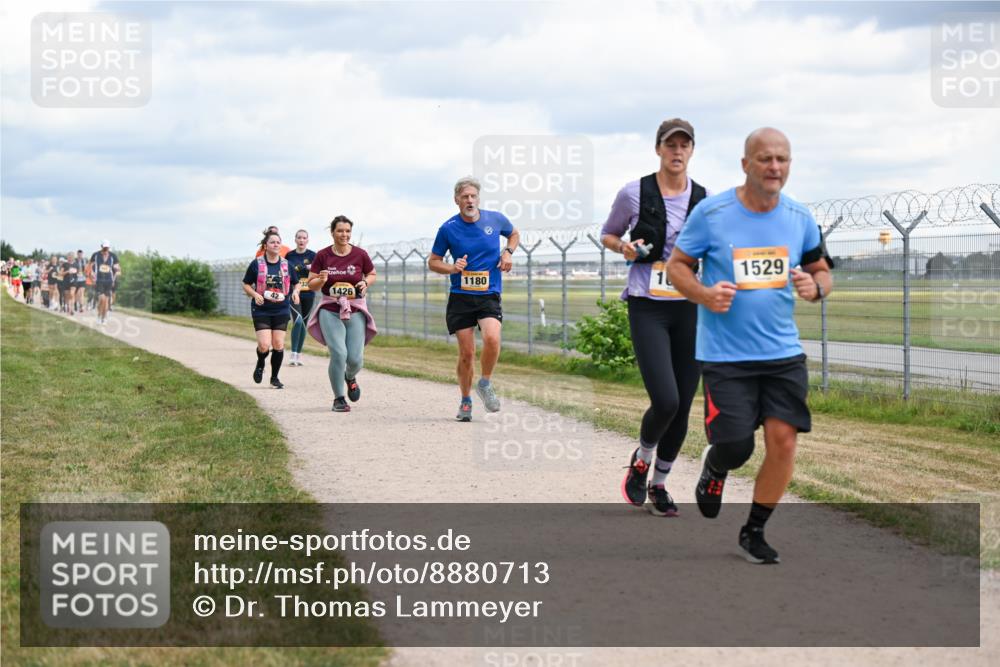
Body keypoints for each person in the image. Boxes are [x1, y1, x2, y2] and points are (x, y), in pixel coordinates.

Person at [667, 127, 834, 564]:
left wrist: (815, 287)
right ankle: (717, 466)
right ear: (746, 164)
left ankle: (754, 530)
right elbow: (678, 265)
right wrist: (703, 294)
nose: (774, 167)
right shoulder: (713, 212)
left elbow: (822, 270)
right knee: (738, 445)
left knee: (784, 441)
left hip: (782, 353)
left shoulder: (799, 217)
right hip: (726, 356)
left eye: (782, 159)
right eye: (765, 159)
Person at [601, 118, 709, 517]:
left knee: (683, 406)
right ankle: (642, 458)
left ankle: (659, 484)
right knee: (665, 399)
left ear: (692, 151)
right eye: (670, 144)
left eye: (684, 145)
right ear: (658, 148)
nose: (677, 151)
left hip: (690, 306)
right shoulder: (634, 193)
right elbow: (609, 234)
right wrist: (624, 249)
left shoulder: (706, 199)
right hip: (647, 304)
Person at [428, 177, 519, 422]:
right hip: (461, 297)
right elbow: (433, 262)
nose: (470, 200)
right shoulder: (448, 228)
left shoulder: (495, 219)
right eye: (465, 196)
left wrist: (507, 252)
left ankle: (485, 383)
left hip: (489, 293)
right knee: (467, 353)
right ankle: (466, 400)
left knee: (492, 337)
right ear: (456, 200)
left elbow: (513, 234)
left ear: (478, 198)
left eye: (473, 196)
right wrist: (452, 268)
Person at [306, 216, 378, 412]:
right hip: (330, 309)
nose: (344, 234)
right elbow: (311, 283)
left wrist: (365, 283)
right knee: (339, 353)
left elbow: (372, 274)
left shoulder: (360, 254)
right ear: (332, 232)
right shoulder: (322, 256)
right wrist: (321, 280)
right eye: (340, 231)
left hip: (355, 309)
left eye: (347, 231)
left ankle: (350, 376)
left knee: (355, 359)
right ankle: (338, 398)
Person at [242, 231, 293, 388]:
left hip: (281, 309)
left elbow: (296, 283)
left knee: (278, 343)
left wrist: (296, 292)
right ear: (266, 246)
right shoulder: (256, 264)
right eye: (272, 242)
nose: (276, 244)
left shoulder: (286, 264)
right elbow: (246, 284)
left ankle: (274, 378)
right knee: (264, 345)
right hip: (262, 309)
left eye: (278, 242)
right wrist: (255, 294)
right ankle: (260, 363)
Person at [286, 229, 317, 367]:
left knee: (304, 323)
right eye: (299, 237)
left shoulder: (313, 255)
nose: (301, 240)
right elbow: (285, 274)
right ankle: (293, 353)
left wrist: (312, 269)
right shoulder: (289, 256)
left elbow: (318, 275)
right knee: (297, 321)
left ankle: (298, 354)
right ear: (295, 239)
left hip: (309, 293)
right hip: (294, 293)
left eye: (304, 238)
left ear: (307, 240)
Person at [89, 241, 121, 324]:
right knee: (102, 299)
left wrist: (117, 270)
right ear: (101, 246)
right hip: (99, 280)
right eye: (104, 247)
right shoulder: (95, 255)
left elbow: (118, 268)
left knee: (106, 301)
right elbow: (90, 266)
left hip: (109, 281)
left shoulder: (113, 256)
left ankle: (104, 317)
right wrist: (92, 274)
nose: (106, 249)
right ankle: (99, 316)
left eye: (107, 248)